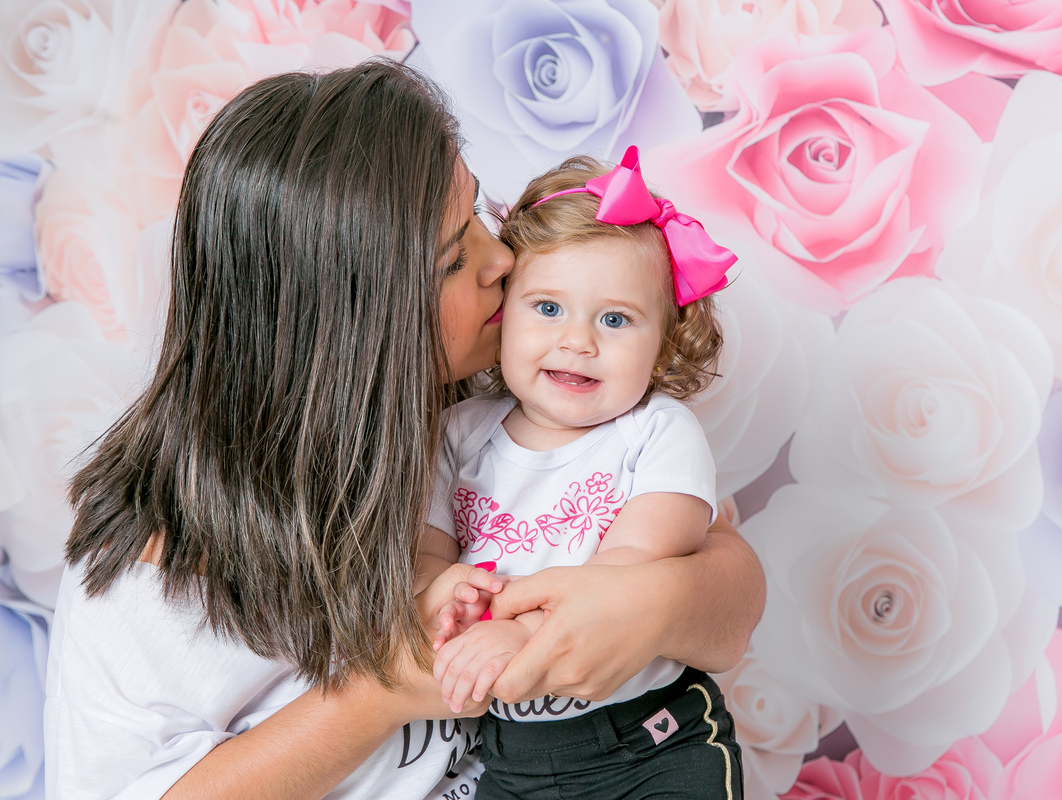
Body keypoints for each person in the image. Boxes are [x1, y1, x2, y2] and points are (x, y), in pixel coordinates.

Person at [43, 59, 764, 800]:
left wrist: (652, 606)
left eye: (481, 216)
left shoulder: (487, 405)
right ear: (348, 325)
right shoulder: (154, 562)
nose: (505, 261)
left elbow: (728, 590)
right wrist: (381, 690)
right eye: (455, 259)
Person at [416, 148, 742, 799]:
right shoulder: (457, 435)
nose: (579, 341)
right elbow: (428, 554)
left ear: (665, 339)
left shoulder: (657, 433)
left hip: (647, 744)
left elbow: (628, 569)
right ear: (504, 311)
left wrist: (521, 633)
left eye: (615, 320)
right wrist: (436, 594)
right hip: (513, 758)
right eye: (548, 308)